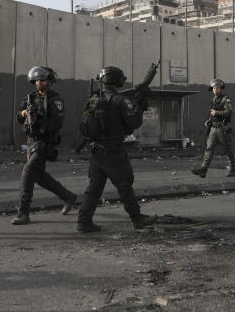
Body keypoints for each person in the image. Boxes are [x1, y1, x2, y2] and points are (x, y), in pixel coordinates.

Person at [74, 66, 155, 233]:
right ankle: (137, 218)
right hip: (113, 151)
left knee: (94, 188)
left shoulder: (94, 98)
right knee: (125, 185)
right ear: (118, 80)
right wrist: (140, 105)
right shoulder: (120, 100)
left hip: (96, 151)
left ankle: (83, 221)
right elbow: (134, 123)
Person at [13, 66, 77, 225]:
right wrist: (24, 114)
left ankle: (23, 212)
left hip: (45, 142)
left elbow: (57, 123)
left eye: (42, 80)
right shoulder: (31, 97)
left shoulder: (55, 100)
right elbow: (19, 116)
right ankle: (68, 196)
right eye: (37, 81)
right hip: (31, 141)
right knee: (39, 177)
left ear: (49, 81)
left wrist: (38, 119)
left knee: (28, 173)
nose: (39, 83)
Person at [191, 78, 235, 177]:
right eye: (214, 88)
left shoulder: (225, 99)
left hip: (222, 128)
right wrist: (209, 120)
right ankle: (204, 170)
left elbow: (229, 111)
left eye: (217, 88)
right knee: (209, 148)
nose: (215, 89)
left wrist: (217, 112)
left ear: (221, 89)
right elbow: (212, 112)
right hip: (213, 128)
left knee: (227, 149)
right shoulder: (213, 99)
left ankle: (233, 169)